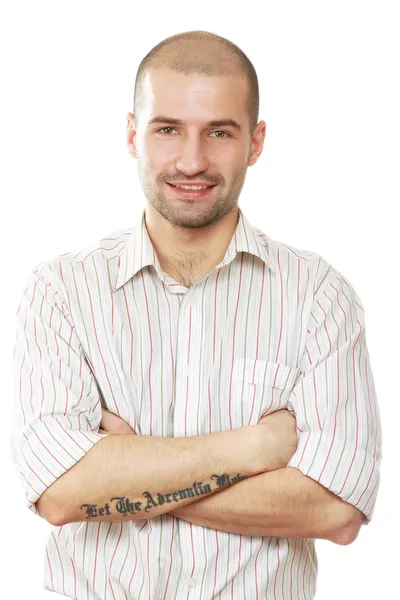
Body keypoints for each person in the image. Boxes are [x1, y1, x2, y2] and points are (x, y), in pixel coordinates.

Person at [10, 29, 382, 600]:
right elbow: (60, 493)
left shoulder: (318, 299)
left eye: (219, 132)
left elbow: (335, 509)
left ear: (256, 142)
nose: (192, 159)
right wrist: (253, 450)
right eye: (167, 129)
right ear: (133, 135)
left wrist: (121, 473)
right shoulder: (61, 292)